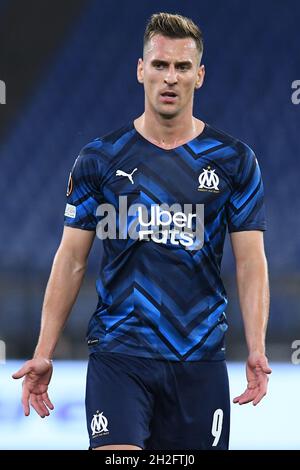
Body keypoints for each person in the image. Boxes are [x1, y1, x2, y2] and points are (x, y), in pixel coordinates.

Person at [13, 12, 272, 450]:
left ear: (200, 76)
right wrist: (44, 350)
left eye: (182, 67)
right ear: (141, 70)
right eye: (160, 65)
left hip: (198, 360)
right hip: (120, 355)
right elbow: (72, 259)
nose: (170, 77)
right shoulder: (98, 159)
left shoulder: (234, 161)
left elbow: (250, 262)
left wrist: (257, 346)